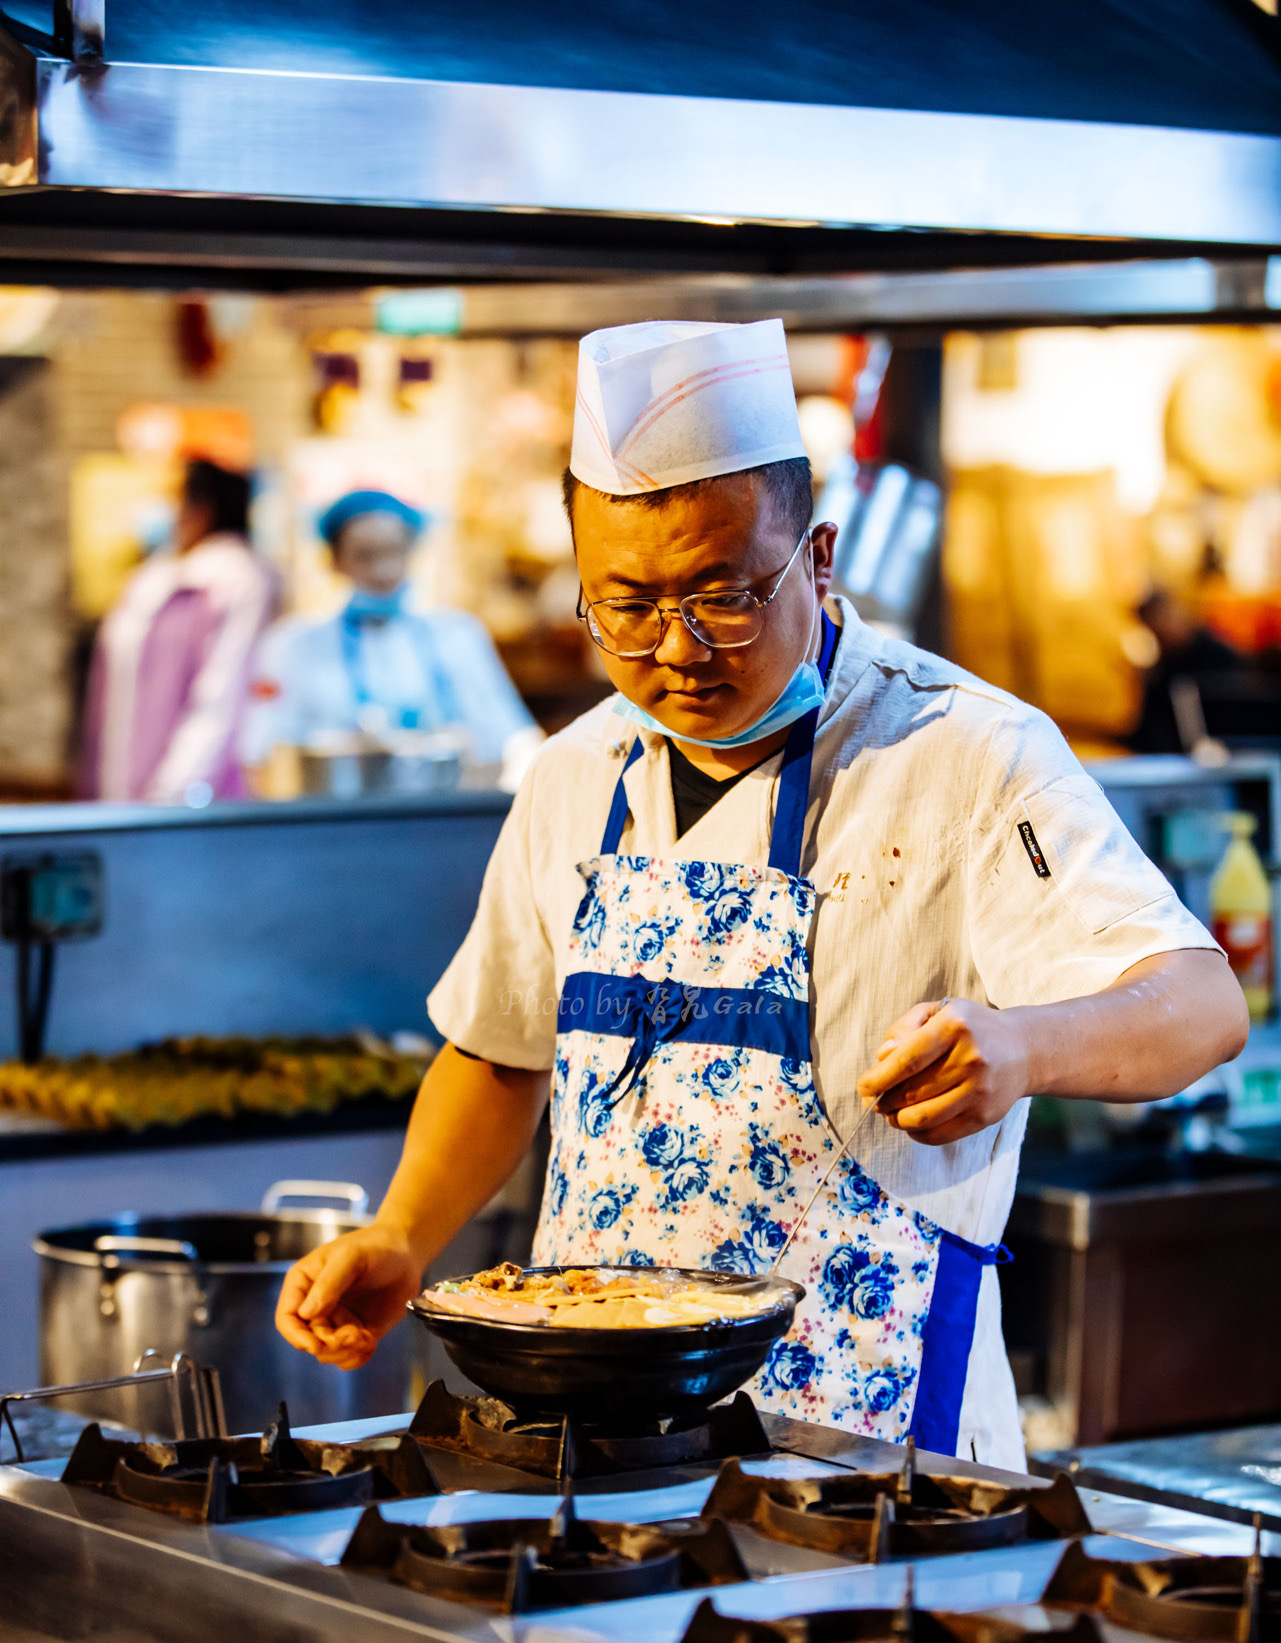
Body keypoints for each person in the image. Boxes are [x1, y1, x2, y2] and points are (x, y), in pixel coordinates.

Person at [275, 318, 1247, 1470]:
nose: (675, 649)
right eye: (625, 606)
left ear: (819, 557)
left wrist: (1027, 1046)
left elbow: (1199, 1006)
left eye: (724, 593)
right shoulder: (576, 773)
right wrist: (400, 1233)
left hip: (868, 1446)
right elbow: (499, 1050)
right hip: (599, 1439)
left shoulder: (965, 752)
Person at [240, 489, 540, 789]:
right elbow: (260, 753)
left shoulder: (459, 635)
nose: (382, 571)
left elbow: (513, 736)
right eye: (364, 555)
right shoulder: (293, 645)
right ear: (334, 560)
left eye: (393, 551)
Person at [80, 458, 278, 803]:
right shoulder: (156, 576)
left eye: (173, 498)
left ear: (201, 507)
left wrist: (176, 789)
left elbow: (221, 693)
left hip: (186, 794)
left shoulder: (235, 579)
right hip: (123, 783)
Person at [1127, 587, 1241, 755]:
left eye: (1167, 617)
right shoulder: (1160, 675)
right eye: (1156, 626)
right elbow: (1147, 735)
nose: (1166, 628)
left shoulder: (1221, 657)